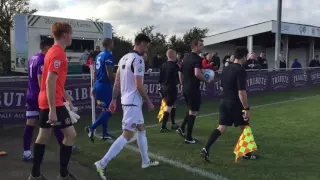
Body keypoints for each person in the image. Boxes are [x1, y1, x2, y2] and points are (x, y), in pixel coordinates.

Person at [94, 34, 159, 180]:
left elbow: (117, 82)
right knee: (127, 134)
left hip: (126, 100)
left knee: (141, 128)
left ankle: (145, 161)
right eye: (146, 46)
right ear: (141, 44)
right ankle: (102, 163)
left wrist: (113, 100)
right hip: (133, 102)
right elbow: (138, 85)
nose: (146, 49)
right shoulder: (138, 60)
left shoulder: (123, 58)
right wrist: (148, 100)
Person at [28, 22, 77, 180]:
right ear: (65, 35)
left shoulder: (52, 51)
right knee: (70, 135)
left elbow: (56, 82)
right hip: (52, 102)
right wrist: (53, 110)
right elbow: (50, 81)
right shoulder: (58, 53)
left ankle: (35, 174)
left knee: (43, 135)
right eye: (71, 33)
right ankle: (63, 174)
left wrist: (67, 99)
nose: (72, 37)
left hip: (49, 100)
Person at [200, 47, 259, 162]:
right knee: (245, 126)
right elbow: (241, 92)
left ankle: (205, 148)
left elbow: (222, 86)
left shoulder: (226, 68)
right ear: (243, 56)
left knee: (221, 127)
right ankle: (247, 154)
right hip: (235, 103)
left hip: (224, 101)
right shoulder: (240, 70)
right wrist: (246, 108)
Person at [23, 40, 67, 161]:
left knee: (30, 124)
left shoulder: (32, 58)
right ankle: (64, 146)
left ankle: (26, 151)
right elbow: (42, 81)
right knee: (55, 121)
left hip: (30, 95)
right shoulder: (42, 59)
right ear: (46, 48)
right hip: (39, 97)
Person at [176, 39, 213, 144]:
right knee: (193, 112)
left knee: (191, 110)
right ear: (194, 46)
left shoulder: (185, 58)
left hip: (186, 88)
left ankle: (182, 128)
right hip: (193, 88)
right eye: (201, 45)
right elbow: (197, 73)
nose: (202, 47)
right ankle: (188, 137)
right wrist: (206, 80)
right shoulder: (198, 59)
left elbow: (180, 71)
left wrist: (182, 83)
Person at [85, 38, 115, 142]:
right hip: (105, 86)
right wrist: (118, 81)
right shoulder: (108, 56)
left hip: (98, 85)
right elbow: (109, 74)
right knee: (110, 109)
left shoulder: (98, 55)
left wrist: (93, 86)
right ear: (110, 44)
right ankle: (91, 128)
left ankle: (105, 133)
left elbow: (94, 72)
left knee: (105, 109)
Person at [159, 49, 180, 132]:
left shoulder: (163, 65)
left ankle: (173, 124)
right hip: (171, 87)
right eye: (175, 55)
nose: (176, 57)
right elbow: (178, 78)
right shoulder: (175, 66)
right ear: (173, 55)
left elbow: (160, 79)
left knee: (173, 105)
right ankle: (163, 126)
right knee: (169, 107)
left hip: (164, 87)